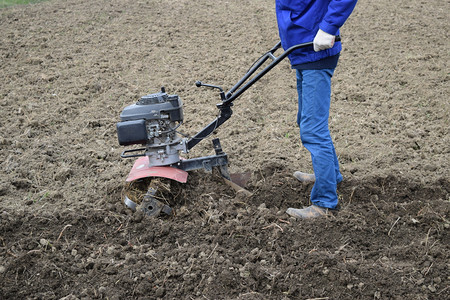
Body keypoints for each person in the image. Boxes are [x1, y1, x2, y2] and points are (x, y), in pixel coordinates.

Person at [275, 0, 358, 219]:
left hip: (316, 50)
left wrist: (328, 27)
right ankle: (331, 175)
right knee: (307, 121)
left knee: (313, 129)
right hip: (303, 46)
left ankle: (325, 202)